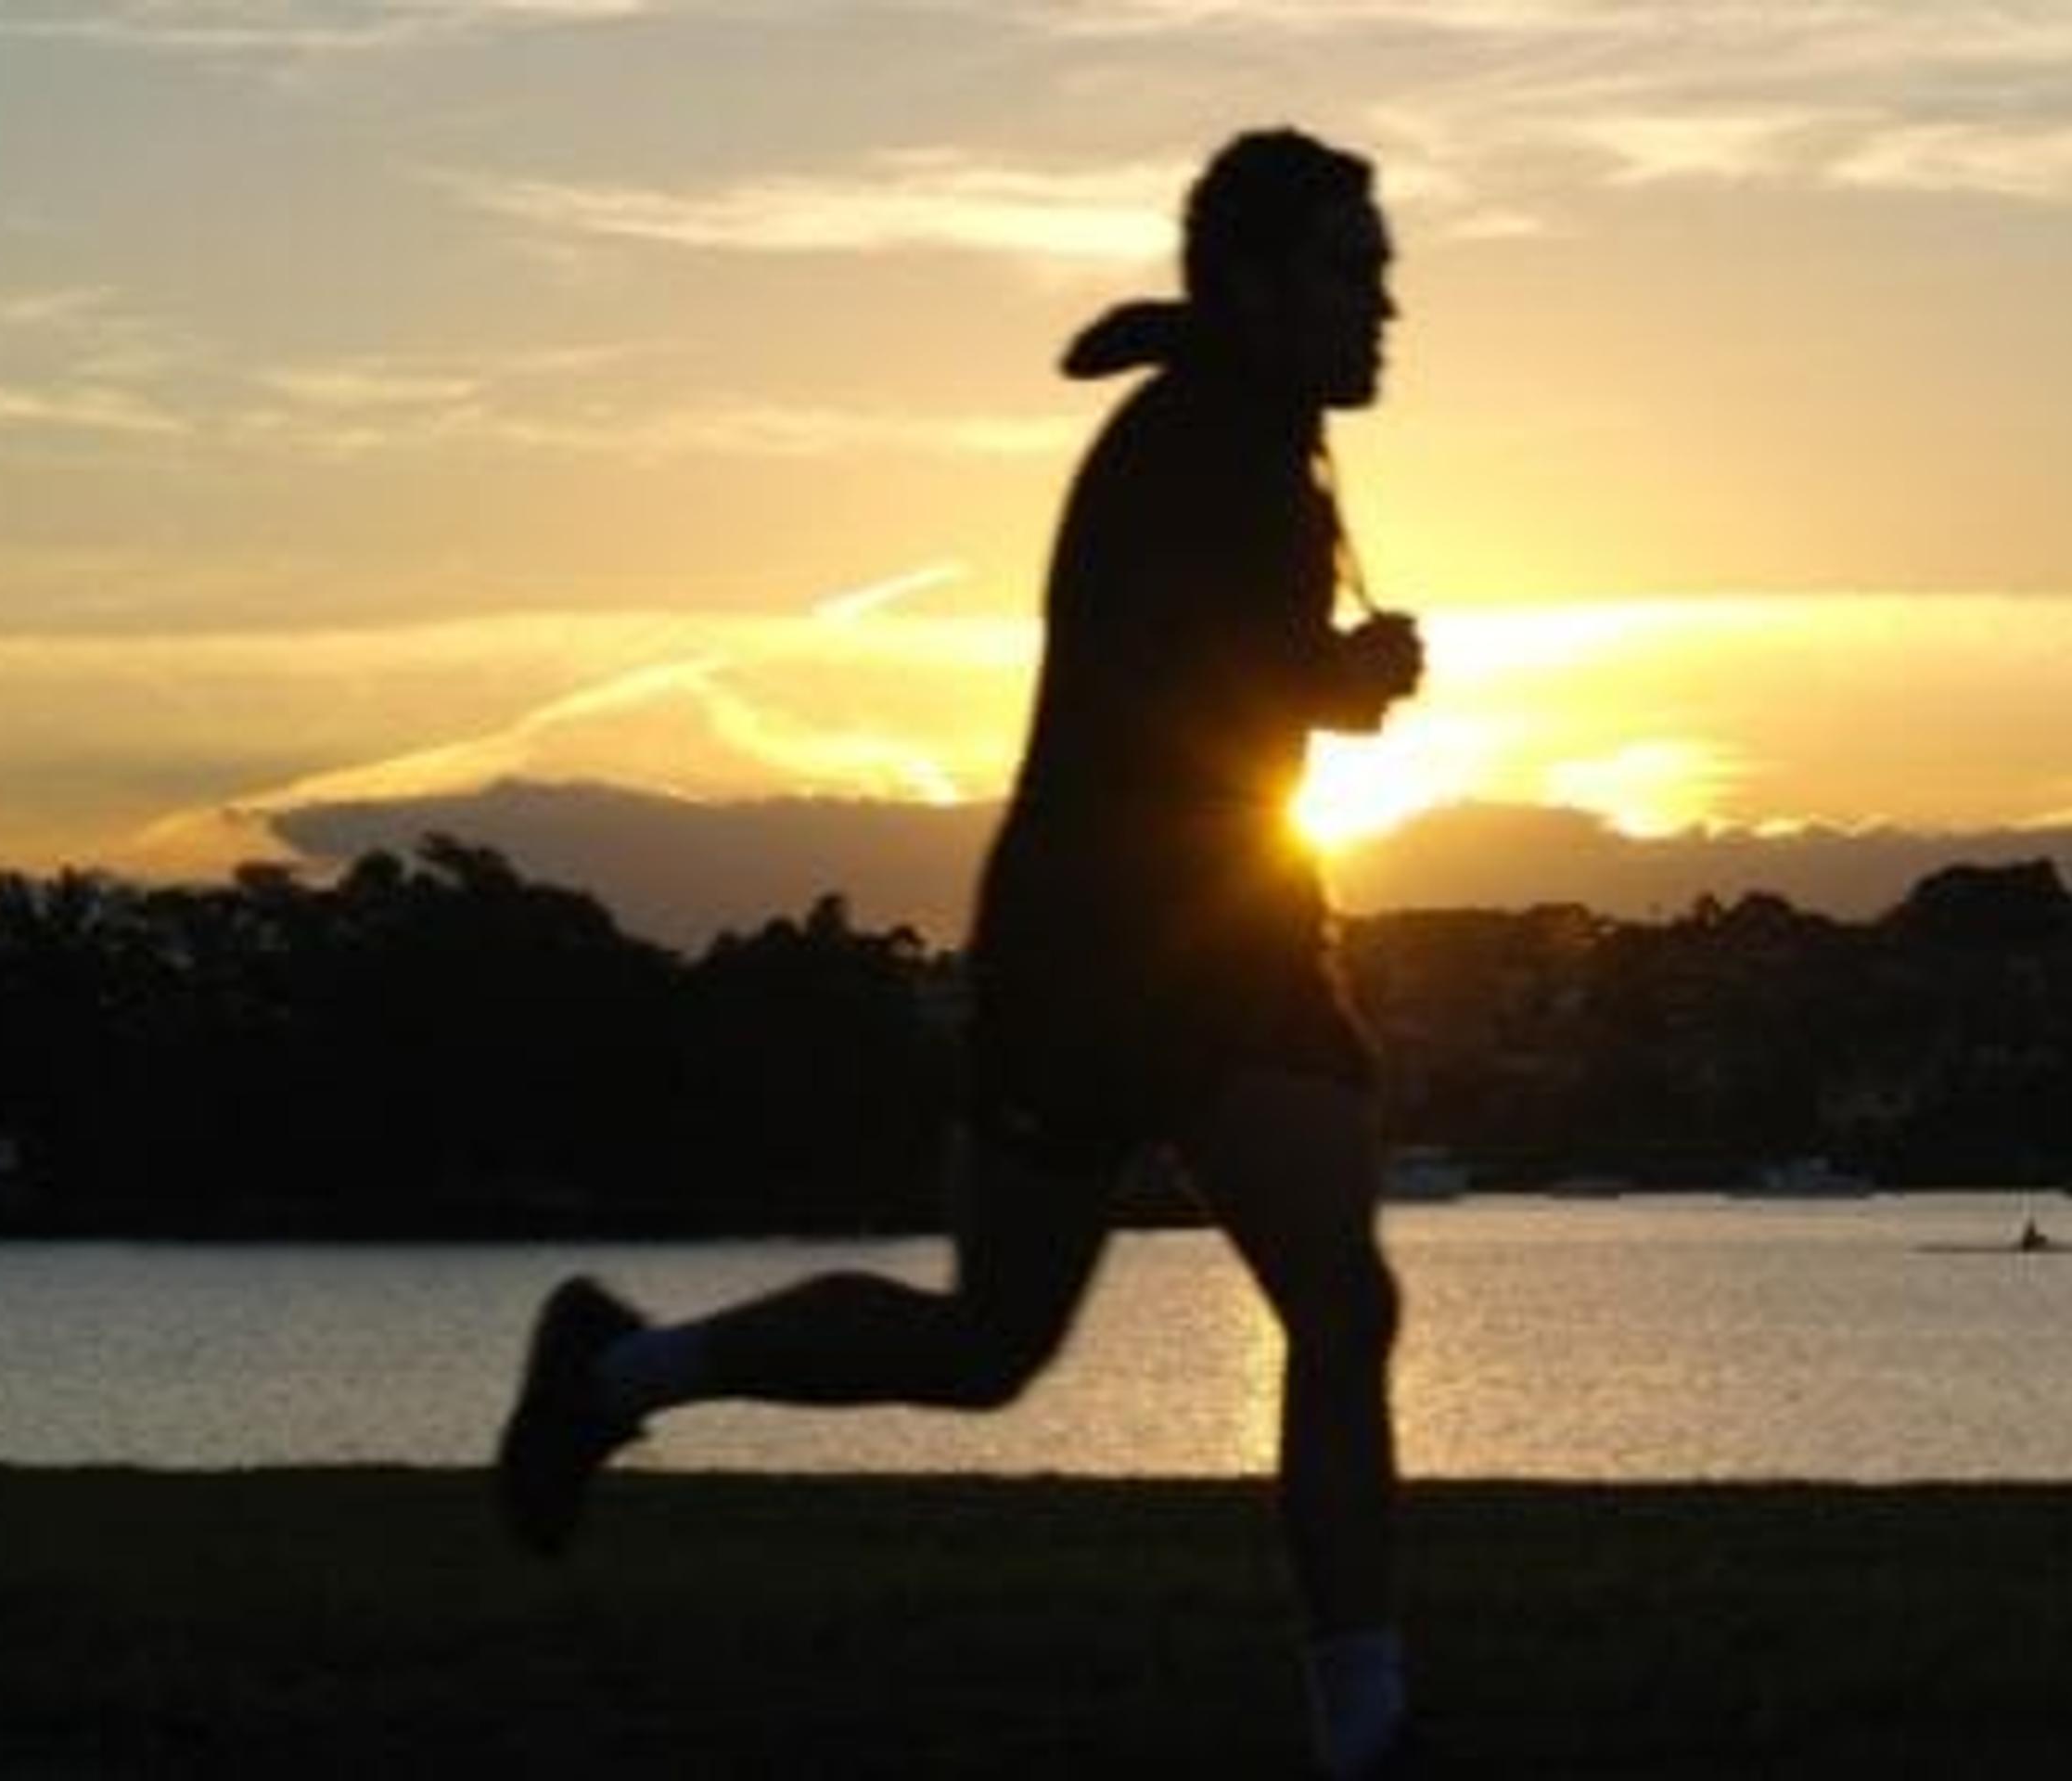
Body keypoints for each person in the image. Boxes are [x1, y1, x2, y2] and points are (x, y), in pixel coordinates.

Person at [492, 126, 1426, 1779]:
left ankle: (1363, 1723)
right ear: (1262, 286)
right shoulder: (1186, 452)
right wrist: (1332, 682)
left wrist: (1320, 676)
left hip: (1241, 940)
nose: (1388, 304)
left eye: (1383, 266)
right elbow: (1168, 687)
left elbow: (1220, 672)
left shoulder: (1253, 434)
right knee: (989, 1348)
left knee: (1343, 1314)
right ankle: (617, 1371)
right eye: (1355, 269)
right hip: (1091, 958)